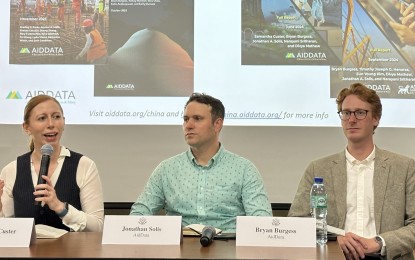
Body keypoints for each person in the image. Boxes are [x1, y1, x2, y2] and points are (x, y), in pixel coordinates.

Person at [288, 83, 415, 260]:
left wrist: (379, 242)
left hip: (386, 256)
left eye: (360, 113)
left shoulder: (405, 167)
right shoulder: (318, 168)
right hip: (334, 257)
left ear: (376, 119)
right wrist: (333, 240)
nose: (352, 119)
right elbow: (297, 222)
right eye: (346, 113)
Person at [130, 93, 272, 232]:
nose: (189, 125)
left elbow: (262, 222)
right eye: (185, 119)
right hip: (179, 248)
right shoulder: (167, 169)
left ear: (217, 124)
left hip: (227, 248)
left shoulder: (244, 169)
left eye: (197, 119)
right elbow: (139, 214)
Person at [0, 95, 104, 232]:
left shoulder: (84, 165)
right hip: (25, 253)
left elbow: (97, 227)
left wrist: (61, 208)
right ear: (26, 127)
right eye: (42, 118)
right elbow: (6, 230)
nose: (51, 124)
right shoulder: (12, 170)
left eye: (56, 117)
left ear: (64, 122)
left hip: (72, 253)